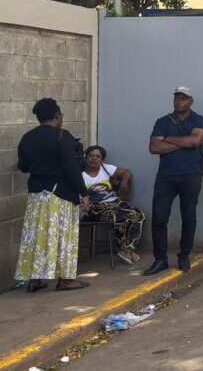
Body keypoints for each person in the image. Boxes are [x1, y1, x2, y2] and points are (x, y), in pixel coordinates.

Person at [14, 98, 91, 292]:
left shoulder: (27, 138)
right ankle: (66, 280)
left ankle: (35, 280)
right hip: (60, 194)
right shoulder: (62, 136)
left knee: (37, 236)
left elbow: (23, 167)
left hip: (36, 195)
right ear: (57, 115)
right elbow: (72, 168)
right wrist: (84, 193)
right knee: (64, 236)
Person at [144, 86, 203, 275]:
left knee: (189, 216)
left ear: (191, 101)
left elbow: (196, 141)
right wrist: (184, 142)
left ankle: (184, 255)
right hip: (166, 176)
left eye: (184, 98)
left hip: (191, 174)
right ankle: (160, 259)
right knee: (159, 217)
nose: (179, 101)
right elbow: (154, 147)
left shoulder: (198, 119)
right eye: (177, 98)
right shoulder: (162, 121)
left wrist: (169, 139)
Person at [81, 145, 145, 265]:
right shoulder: (81, 175)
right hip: (96, 209)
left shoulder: (106, 168)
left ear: (102, 160)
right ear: (86, 157)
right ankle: (126, 250)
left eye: (98, 156)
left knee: (138, 215)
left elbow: (126, 172)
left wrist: (124, 181)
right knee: (119, 217)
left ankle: (128, 250)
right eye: (91, 156)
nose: (94, 158)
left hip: (115, 203)